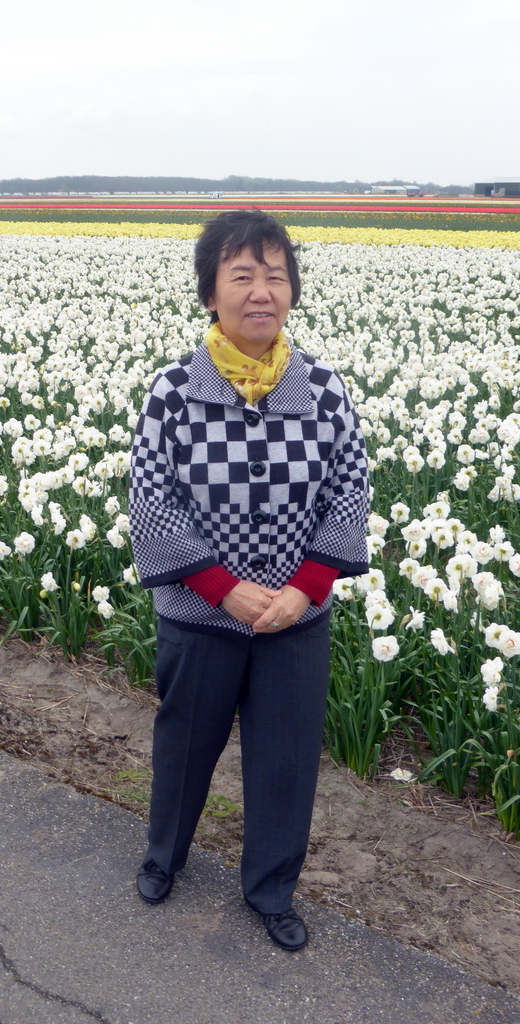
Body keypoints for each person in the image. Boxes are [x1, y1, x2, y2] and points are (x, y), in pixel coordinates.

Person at [128, 209, 369, 952]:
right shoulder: (174, 391)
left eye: (275, 275)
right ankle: (163, 857)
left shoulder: (324, 391)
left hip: (295, 618)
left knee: (286, 759)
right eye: (242, 275)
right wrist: (222, 587)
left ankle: (270, 889)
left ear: (292, 290)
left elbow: (350, 488)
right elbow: (151, 494)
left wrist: (306, 587)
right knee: (185, 744)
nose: (261, 291)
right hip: (202, 615)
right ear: (210, 293)